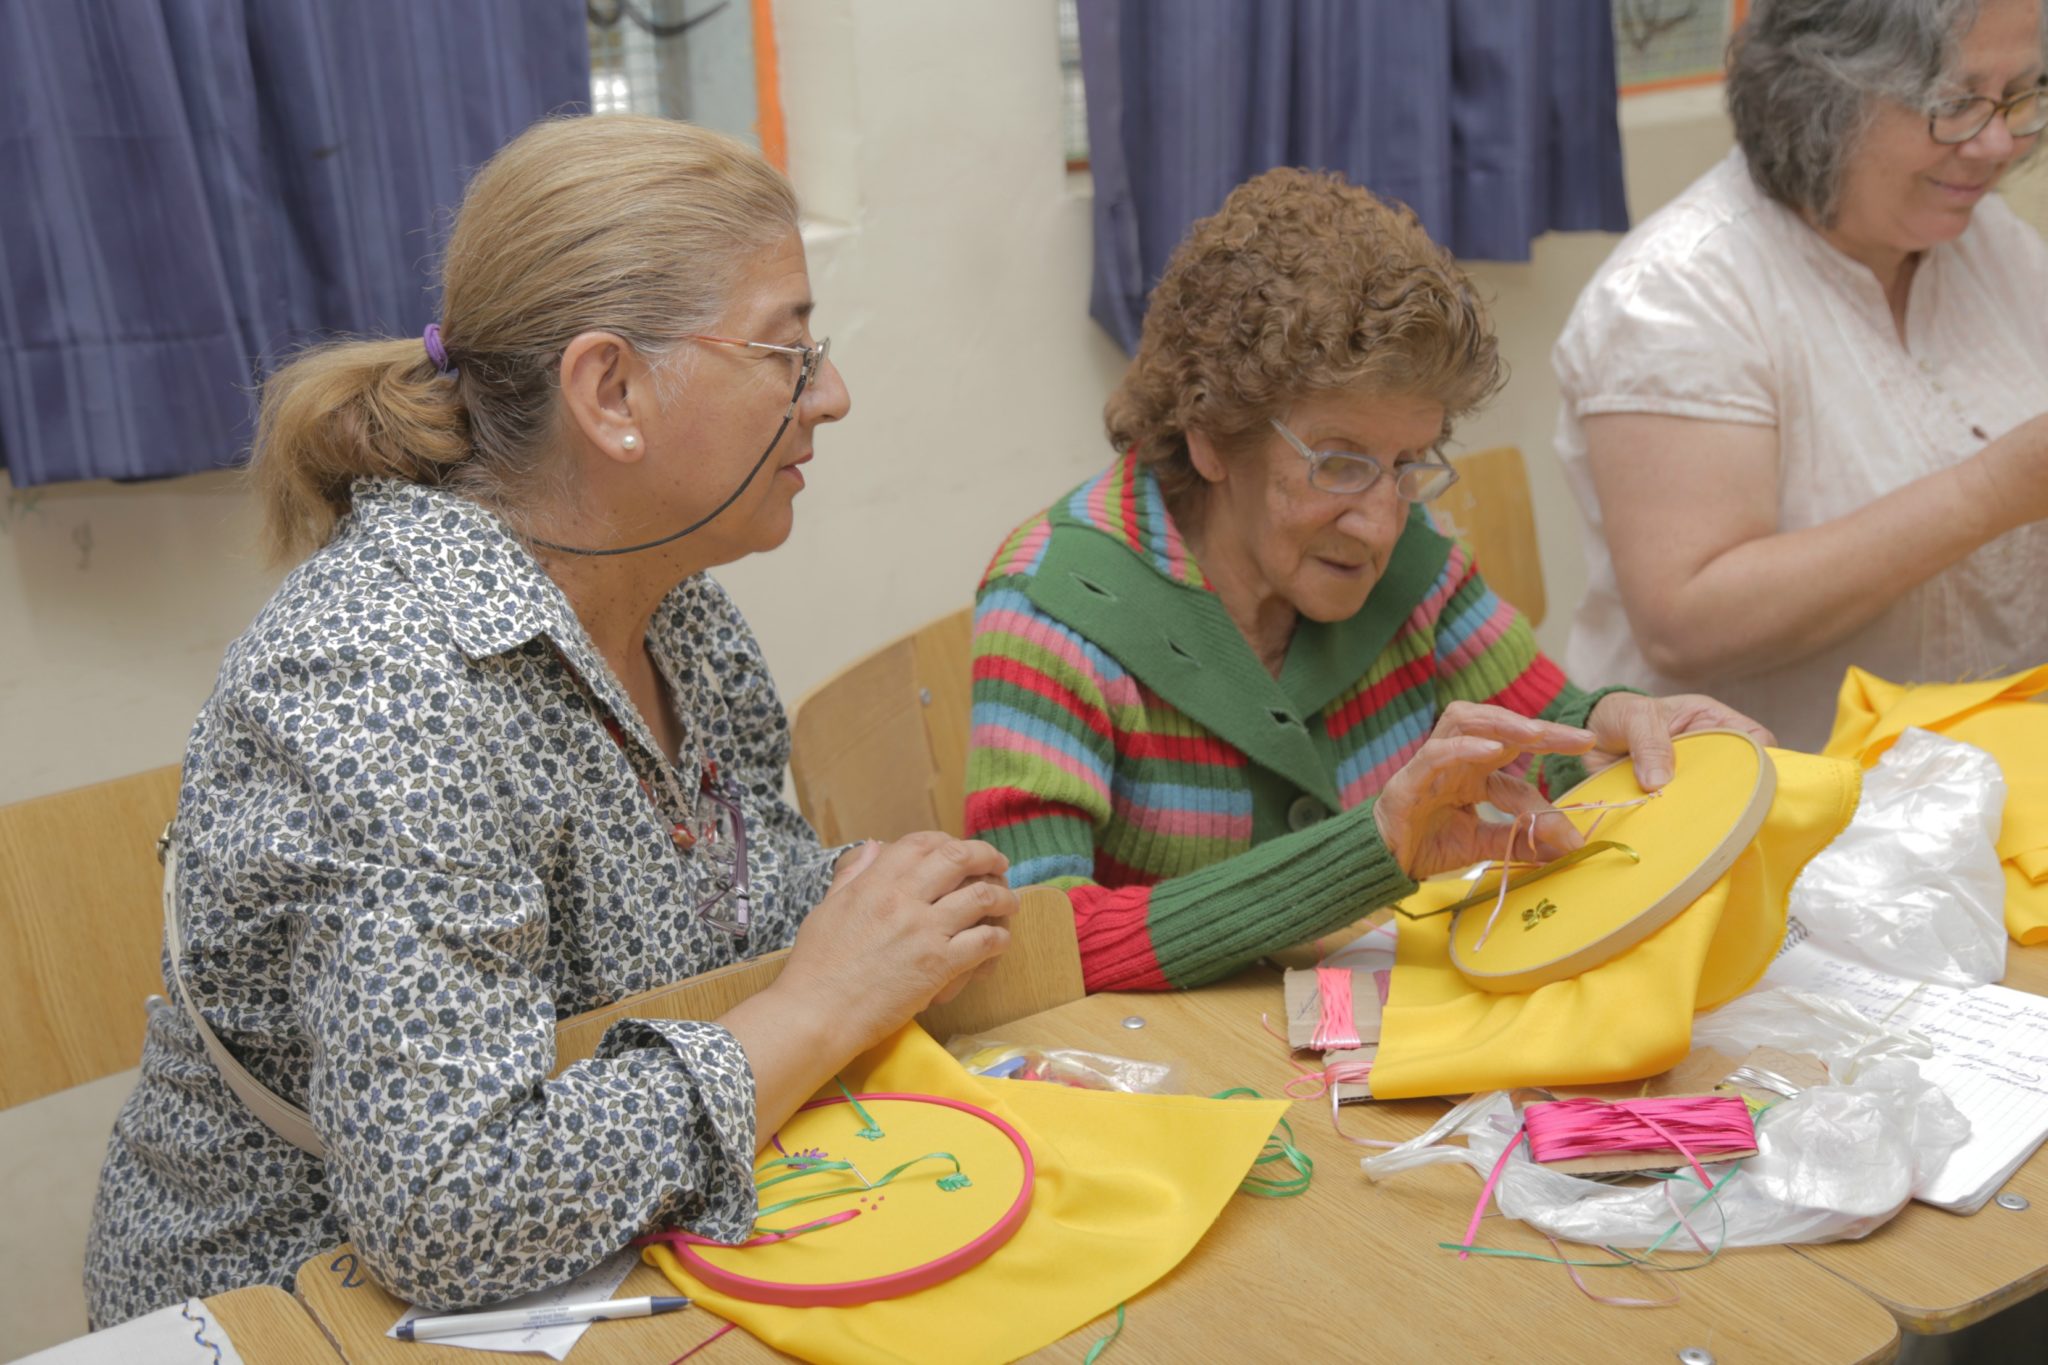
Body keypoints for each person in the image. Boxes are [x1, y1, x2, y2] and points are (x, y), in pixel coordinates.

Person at [85, 115, 1016, 1325]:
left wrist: (886, 916)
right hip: (301, 1311)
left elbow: (747, 916)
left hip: (610, 1267)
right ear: (610, 390)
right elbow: (449, 1212)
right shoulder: (380, 686)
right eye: (788, 350)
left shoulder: (679, 616)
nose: (829, 394)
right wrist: (822, 1005)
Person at [965, 168, 1768, 994]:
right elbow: (1032, 951)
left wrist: (1622, 732)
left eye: (1407, 463)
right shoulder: (1055, 612)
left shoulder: (1414, 561)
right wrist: (1373, 847)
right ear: (1208, 436)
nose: (1383, 522)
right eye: (1339, 464)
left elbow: (1546, 735)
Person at [1554, 0, 2048, 750]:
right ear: (1820, 99)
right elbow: (1691, 625)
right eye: (1953, 103)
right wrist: (1991, 491)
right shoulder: (1676, 295)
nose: (1998, 141)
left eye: (2019, 96)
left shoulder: (1992, 247)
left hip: (1984, 775)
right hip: (1769, 812)